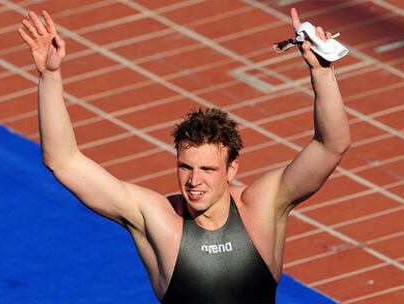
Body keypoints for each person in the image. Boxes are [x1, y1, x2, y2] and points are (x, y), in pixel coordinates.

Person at [18, 7, 350, 304]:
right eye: (185, 167)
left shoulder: (263, 205)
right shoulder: (158, 218)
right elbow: (63, 161)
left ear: (232, 168)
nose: (194, 181)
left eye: (207, 169)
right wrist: (50, 76)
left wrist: (322, 73)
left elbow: (330, 146)